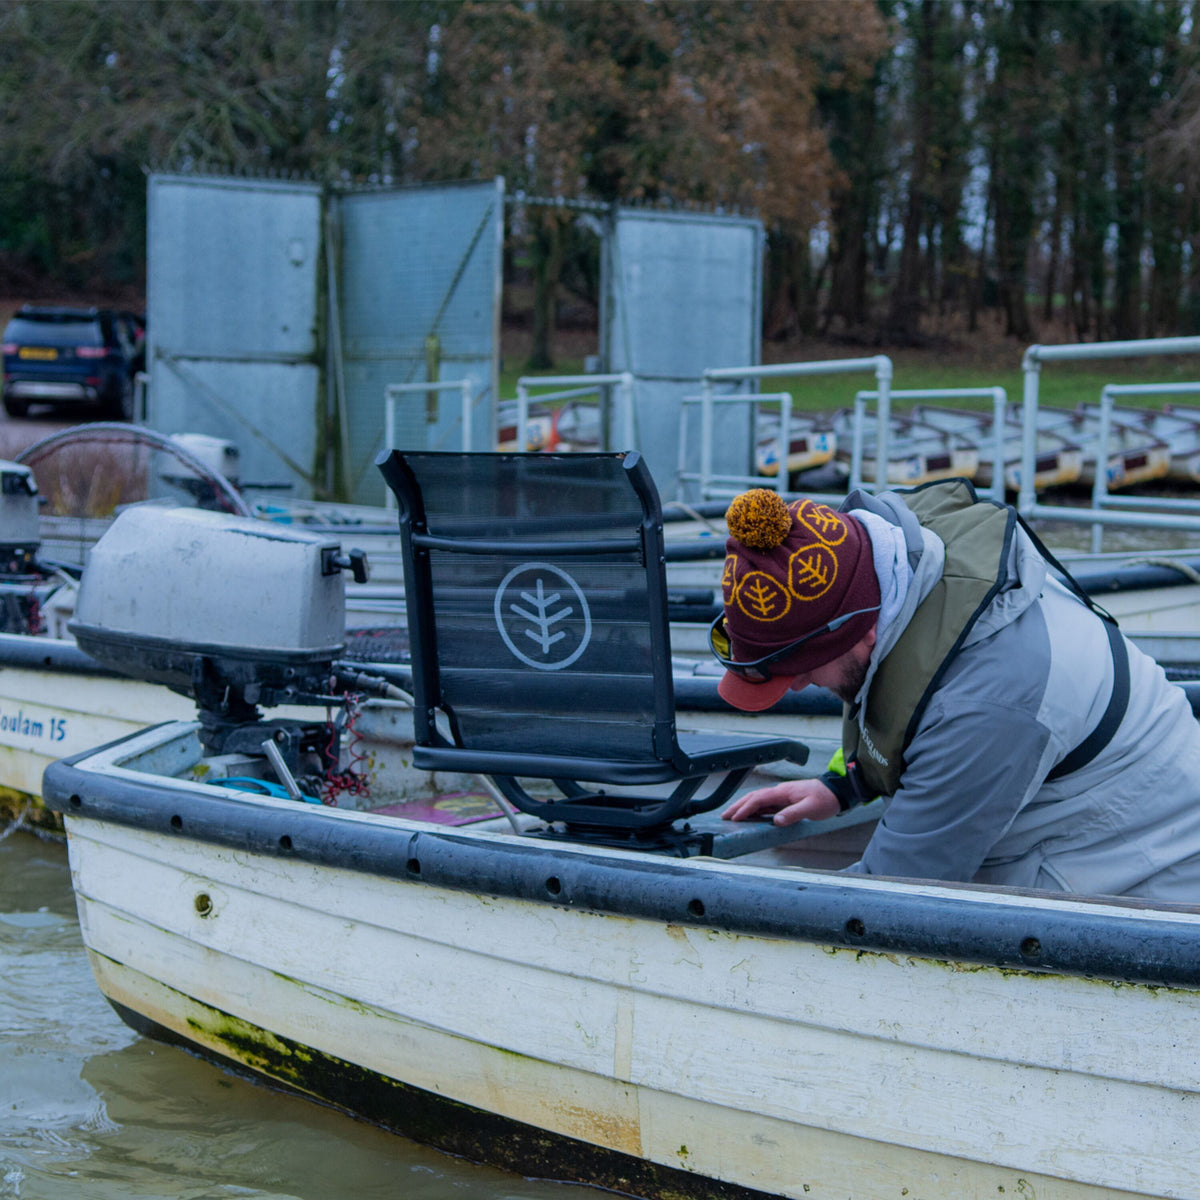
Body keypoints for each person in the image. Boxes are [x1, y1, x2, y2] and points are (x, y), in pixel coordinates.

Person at [711, 480, 1200, 900]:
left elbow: (894, 895)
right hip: (1050, 802)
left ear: (863, 633)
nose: (794, 685)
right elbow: (893, 704)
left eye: (798, 667)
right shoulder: (891, 567)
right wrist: (842, 784)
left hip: (1145, 873)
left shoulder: (983, 706)